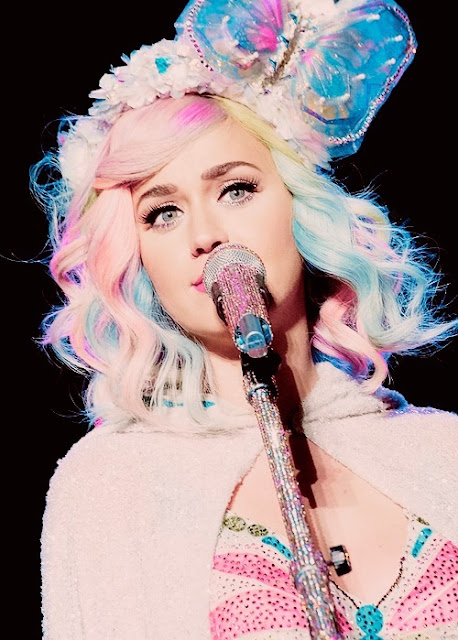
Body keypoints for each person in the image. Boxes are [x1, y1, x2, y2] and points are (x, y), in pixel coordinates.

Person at [30, 0, 458, 638]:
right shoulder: (112, 484)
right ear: (140, 260)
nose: (205, 234)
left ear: (301, 209)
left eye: (236, 189)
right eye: (163, 213)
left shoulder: (441, 451)